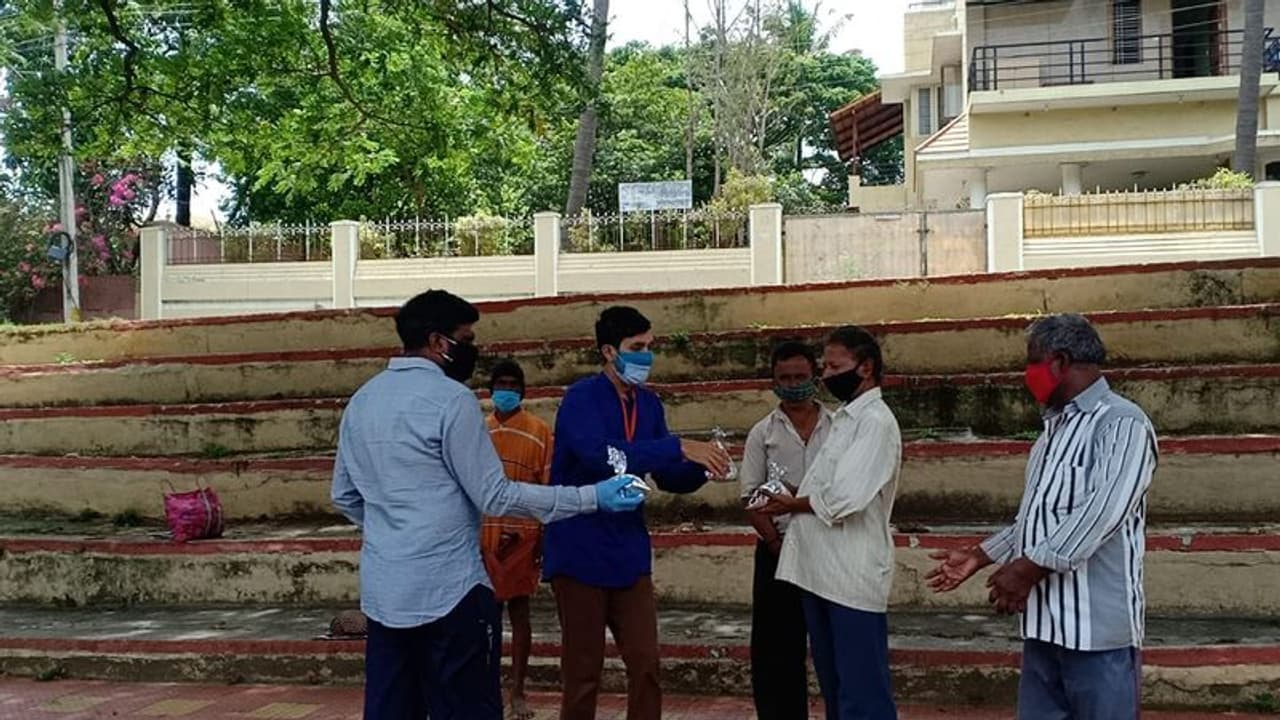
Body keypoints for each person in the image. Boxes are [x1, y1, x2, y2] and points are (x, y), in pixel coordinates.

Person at [330, 289, 646, 720]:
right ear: (439, 342)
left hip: (385, 594)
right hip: (451, 591)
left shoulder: (362, 401)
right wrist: (592, 496)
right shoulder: (451, 399)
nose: (472, 350)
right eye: (466, 339)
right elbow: (495, 495)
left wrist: (395, 531)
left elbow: (344, 494)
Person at [926, 314, 1158, 720]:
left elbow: (1101, 514)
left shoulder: (1122, 423)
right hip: (1043, 625)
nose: (1027, 374)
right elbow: (1039, 517)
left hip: (1096, 632)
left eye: (1032, 361)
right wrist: (981, 555)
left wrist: (1027, 568)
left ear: (1060, 362)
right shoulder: (1054, 430)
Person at [543, 305, 733, 720]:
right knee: (583, 670)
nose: (646, 356)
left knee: (646, 663)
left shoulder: (649, 404)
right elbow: (600, 456)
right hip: (579, 550)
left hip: (628, 552)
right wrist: (676, 446)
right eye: (636, 347)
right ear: (609, 351)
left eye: (649, 346)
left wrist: (704, 467)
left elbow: (667, 475)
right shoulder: (580, 399)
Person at [760, 326, 901, 720]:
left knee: (862, 690)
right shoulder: (846, 419)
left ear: (866, 367)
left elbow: (846, 498)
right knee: (836, 686)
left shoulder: (875, 422)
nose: (826, 375)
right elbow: (829, 487)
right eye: (825, 366)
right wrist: (795, 493)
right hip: (820, 572)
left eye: (835, 367)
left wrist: (794, 502)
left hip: (851, 575)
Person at [739, 340, 833, 720]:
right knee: (776, 651)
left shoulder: (840, 428)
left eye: (800, 376)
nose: (793, 384)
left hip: (832, 548)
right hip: (778, 550)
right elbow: (750, 496)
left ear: (816, 377)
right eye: (785, 378)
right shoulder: (762, 434)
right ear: (773, 382)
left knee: (834, 644)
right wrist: (775, 543)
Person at [480, 359, 552, 720]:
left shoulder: (539, 431)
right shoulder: (479, 430)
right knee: (485, 620)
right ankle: (486, 691)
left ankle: (518, 691)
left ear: (523, 391)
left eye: (513, 384)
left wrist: (543, 537)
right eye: (501, 384)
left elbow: (548, 487)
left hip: (523, 536)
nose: (506, 390)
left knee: (520, 615)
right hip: (484, 536)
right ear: (491, 390)